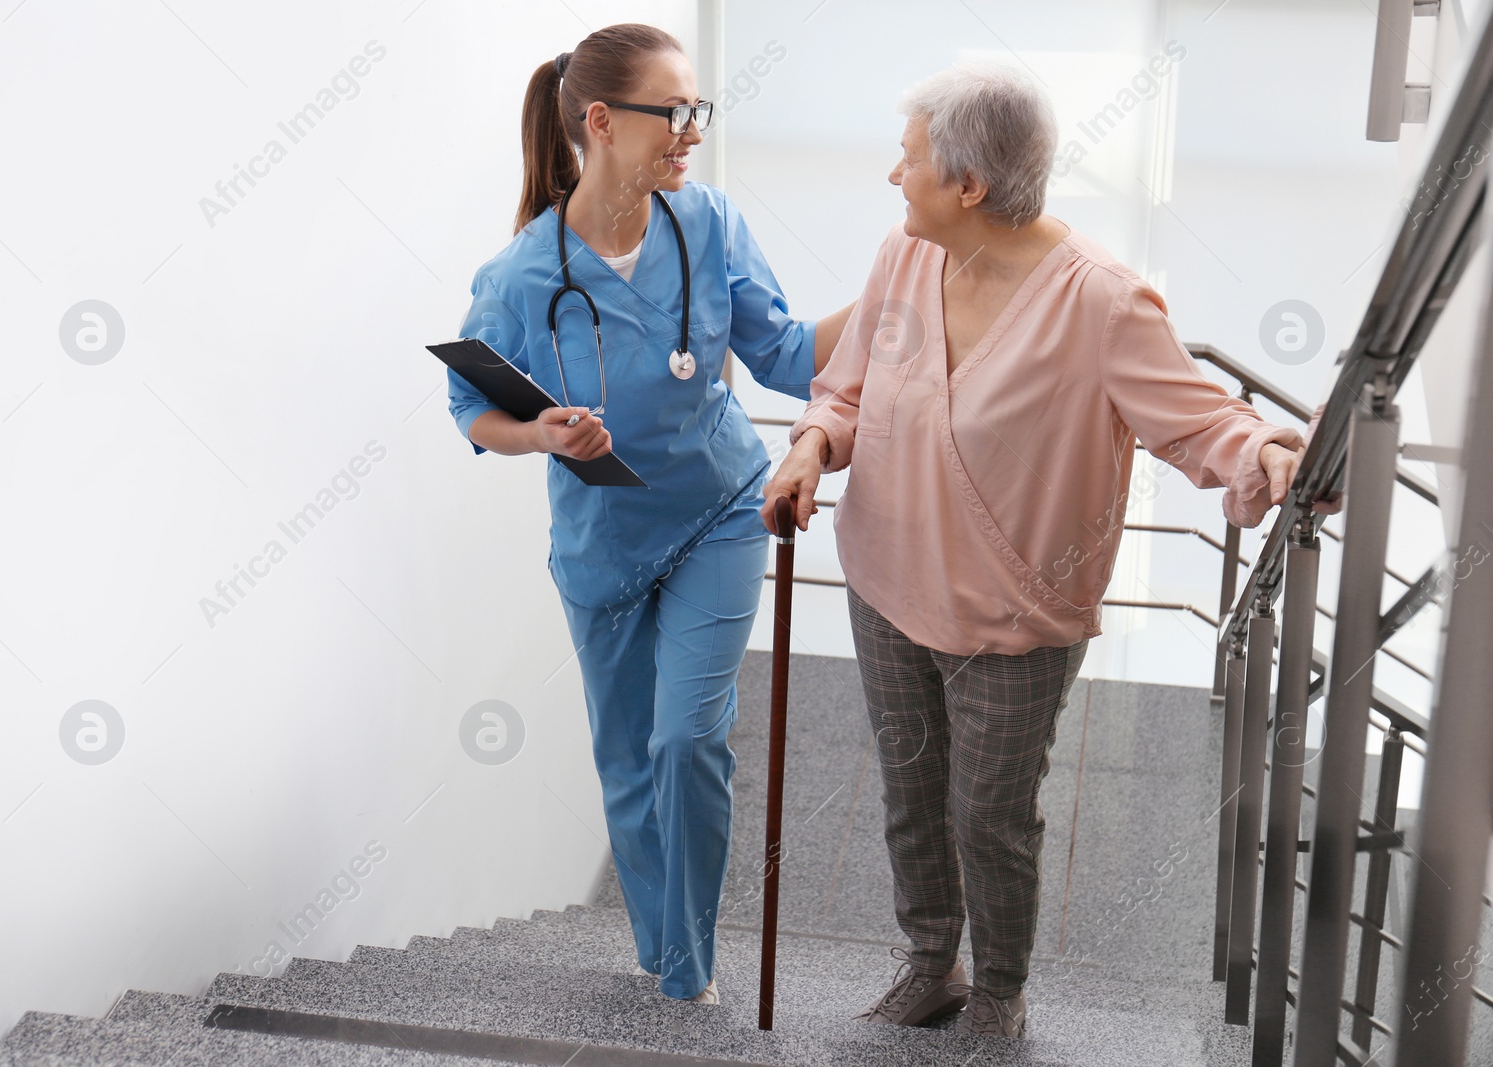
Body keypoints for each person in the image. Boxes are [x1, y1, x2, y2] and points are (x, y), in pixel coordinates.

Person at [762, 62, 1317, 1036]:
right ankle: (929, 959)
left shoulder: (1101, 299)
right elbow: (844, 389)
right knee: (908, 792)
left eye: (910, 162)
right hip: (886, 576)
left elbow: (1194, 421)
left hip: (1011, 614)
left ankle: (1001, 991)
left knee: (990, 816)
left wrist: (1266, 447)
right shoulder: (904, 256)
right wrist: (810, 445)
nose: (896, 181)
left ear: (968, 186)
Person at [446, 24, 852, 1005]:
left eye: (694, 111)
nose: (691, 132)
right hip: (603, 542)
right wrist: (542, 434)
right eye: (675, 112)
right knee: (626, 762)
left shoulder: (704, 223)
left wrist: (896, 287)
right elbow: (474, 409)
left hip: (718, 508)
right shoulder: (519, 277)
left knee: (686, 741)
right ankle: (664, 945)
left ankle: (686, 970)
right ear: (601, 123)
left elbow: (789, 357)